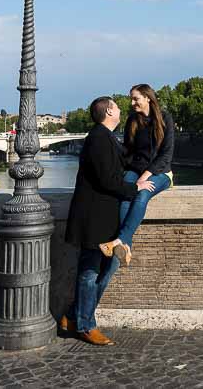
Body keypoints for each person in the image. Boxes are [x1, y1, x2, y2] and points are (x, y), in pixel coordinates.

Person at [60, 95, 155, 346]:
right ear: (109, 111)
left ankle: (73, 316)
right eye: (116, 106)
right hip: (93, 217)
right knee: (89, 271)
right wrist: (137, 188)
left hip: (103, 216)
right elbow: (107, 181)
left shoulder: (106, 137)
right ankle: (85, 325)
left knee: (105, 267)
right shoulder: (98, 139)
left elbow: (126, 160)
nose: (121, 109)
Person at [98, 83, 175, 267]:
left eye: (136, 98)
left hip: (161, 172)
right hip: (135, 169)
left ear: (148, 98)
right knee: (125, 195)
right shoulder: (133, 120)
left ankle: (120, 241)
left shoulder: (165, 118)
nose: (132, 103)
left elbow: (166, 154)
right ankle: (125, 248)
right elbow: (128, 151)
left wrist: (145, 176)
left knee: (142, 194)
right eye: (131, 99)